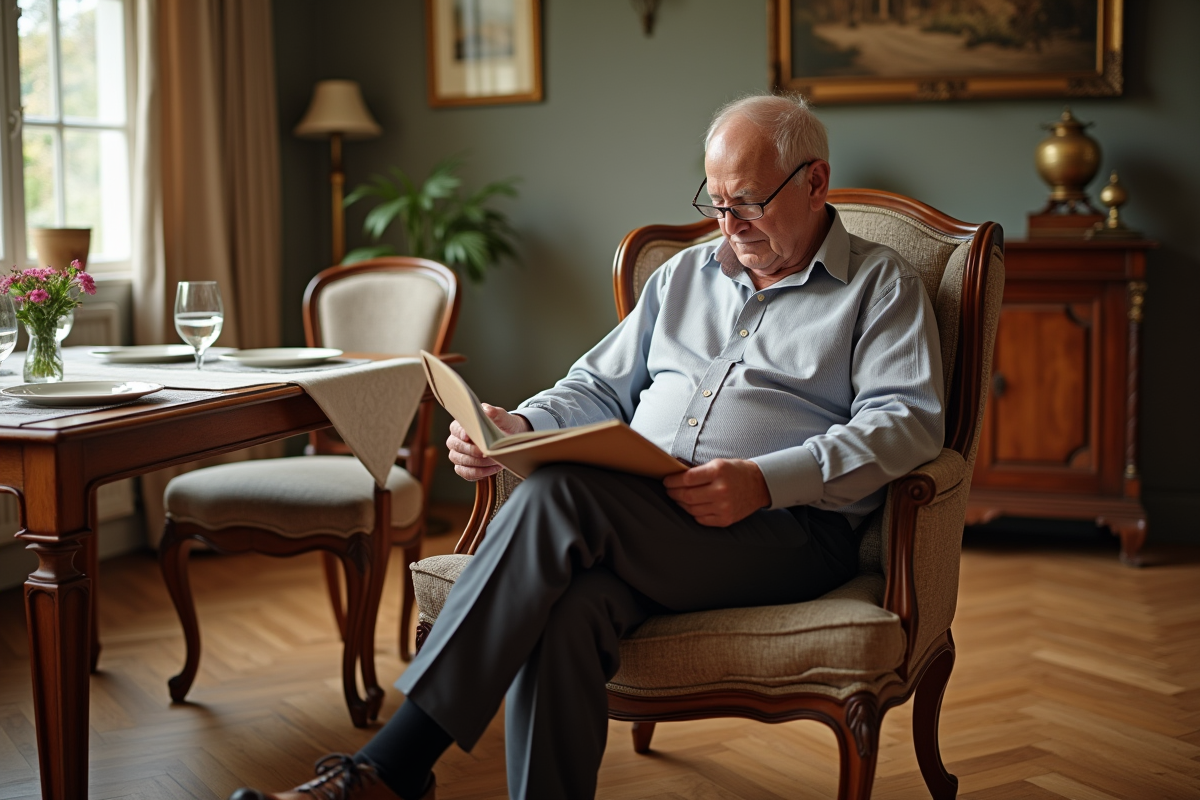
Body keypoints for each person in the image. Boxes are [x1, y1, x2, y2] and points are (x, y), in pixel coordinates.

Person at [231, 93, 944, 800]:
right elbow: (596, 386)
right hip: (651, 517)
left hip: (787, 532)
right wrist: (520, 429)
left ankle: (391, 766)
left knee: (561, 494)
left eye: (749, 202)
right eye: (717, 204)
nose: (730, 226)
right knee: (571, 609)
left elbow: (906, 422)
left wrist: (765, 481)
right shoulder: (684, 276)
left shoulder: (882, 287)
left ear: (816, 181)